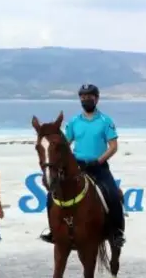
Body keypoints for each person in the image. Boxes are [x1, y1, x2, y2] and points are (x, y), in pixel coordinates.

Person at [44, 84, 125, 248]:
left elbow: (113, 146)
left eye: (89, 96)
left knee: (114, 196)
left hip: (99, 167)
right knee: (52, 194)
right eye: (83, 97)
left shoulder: (105, 121)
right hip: (77, 166)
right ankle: (53, 230)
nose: (86, 99)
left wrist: (99, 161)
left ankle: (117, 232)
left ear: (96, 98)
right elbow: (65, 145)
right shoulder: (73, 122)